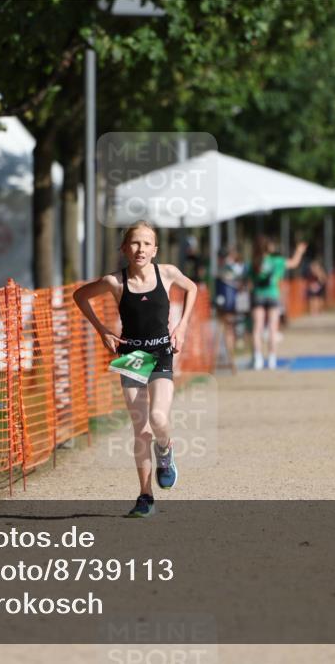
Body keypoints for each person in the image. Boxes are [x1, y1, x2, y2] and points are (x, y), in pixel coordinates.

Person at [73, 220, 198, 518]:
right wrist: (102, 330)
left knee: (157, 418)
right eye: (134, 243)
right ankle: (145, 495)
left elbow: (191, 288)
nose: (140, 249)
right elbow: (80, 296)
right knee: (140, 430)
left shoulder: (166, 273)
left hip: (161, 351)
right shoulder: (115, 282)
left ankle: (165, 450)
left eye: (146, 243)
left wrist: (181, 326)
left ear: (155, 249)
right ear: (124, 249)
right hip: (132, 356)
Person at [250, 236, 307, 370]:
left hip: (258, 295)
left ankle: (258, 358)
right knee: (272, 328)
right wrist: (299, 251)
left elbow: (249, 281)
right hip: (273, 295)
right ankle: (272, 359)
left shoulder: (254, 262)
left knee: (257, 328)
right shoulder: (277, 261)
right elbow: (293, 263)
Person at [215, 246, 247, 373]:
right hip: (232, 304)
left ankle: (231, 361)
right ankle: (231, 361)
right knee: (228, 331)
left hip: (226, 304)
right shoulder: (235, 268)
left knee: (225, 332)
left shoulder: (225, 269)